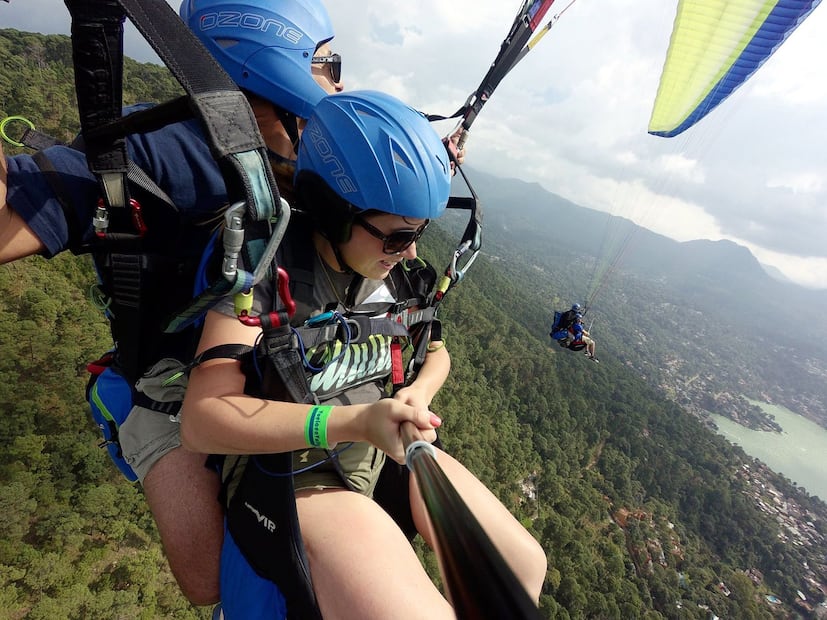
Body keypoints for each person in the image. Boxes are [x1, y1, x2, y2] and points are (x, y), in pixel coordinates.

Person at [1, 0, 344, 605]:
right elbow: (29, 195)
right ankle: (115, 402)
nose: (339, 81)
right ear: (274, 69)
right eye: (328, 62)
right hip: (163, 384)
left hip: (244, 359)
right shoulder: (163, 152)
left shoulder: (305, 152)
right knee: (208, 578)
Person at [181, 88, 547, 619]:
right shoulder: (266, 268)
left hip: (380, 446)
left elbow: (436, 352)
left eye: (420, 233)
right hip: (294, 475)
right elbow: (202, 418)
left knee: (523, 566)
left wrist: (416, 394)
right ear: (334, 212)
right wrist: (352, 422)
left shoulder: (395, 274)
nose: (412, 252)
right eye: (398, 236)